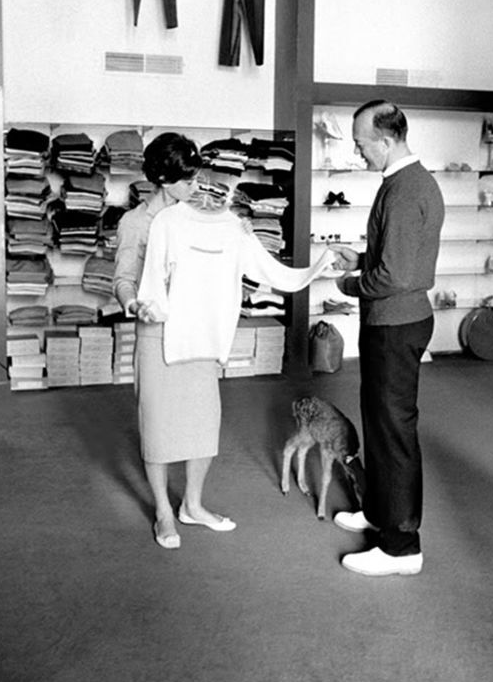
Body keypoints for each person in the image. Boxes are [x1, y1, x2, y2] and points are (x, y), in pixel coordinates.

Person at [115, 132, 333, 550]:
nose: (193, 186)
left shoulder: (208, 216)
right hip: (156, 335)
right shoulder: (135, 223)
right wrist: (135, 304)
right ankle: (164, 511)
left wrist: (242, 233)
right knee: (158, 426)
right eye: (184, 179)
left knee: (203, 422)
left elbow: (239, 263)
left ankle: (192, 505)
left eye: (196, 177)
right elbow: (124, 281)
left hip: (200, 333)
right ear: (161, 178)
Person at [331, 100, 444, 576]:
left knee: (393, 433)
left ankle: (401, 547)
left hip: (395, 324)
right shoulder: (408, 182)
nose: (359, 154)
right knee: (380, 425)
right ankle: (380, 513)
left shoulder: (402, 191)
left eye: (361, 145)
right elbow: (402, 259)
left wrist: (350, 284)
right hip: (394, 321)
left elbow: (396, 276)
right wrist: (360, 259)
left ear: (386, 139)